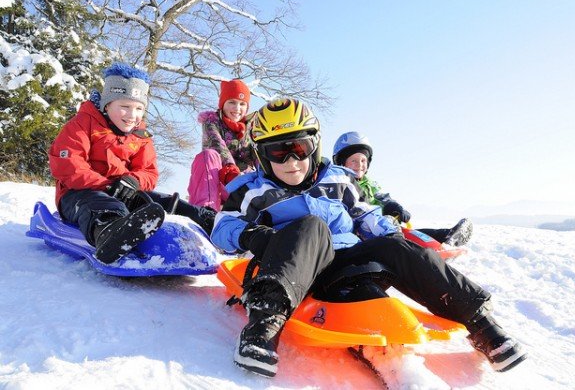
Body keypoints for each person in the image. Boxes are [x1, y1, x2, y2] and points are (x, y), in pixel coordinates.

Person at [211, 98, 527, 378]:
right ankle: (264, 326)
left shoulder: (339, 179)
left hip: (346, 264)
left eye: (299, 150)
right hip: (293, 269)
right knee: (311, 225)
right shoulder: (251, 189)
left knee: (395, 246)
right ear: (263, 156)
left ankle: (481, 324)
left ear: (314, 146)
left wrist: (398, 240)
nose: (291, 162)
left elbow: (366, 217)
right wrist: (254, 236)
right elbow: (222, 228)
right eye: (278, 153)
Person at [48, 62, 216, 264]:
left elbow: (149, 172)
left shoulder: (140, 136)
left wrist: (133, 182)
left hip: (124, 190)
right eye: (125, 107)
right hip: (79, 194)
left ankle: (211, 222)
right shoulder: (82, 125)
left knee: (158, 201)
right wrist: (107, 185)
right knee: (100, 205)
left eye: (138, 109)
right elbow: (69, 166)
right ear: (107, 104)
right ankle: (110, 233)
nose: (132, 115)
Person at [332, 131, 473, 247]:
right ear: (341, 163)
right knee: (401, 236)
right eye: (354, 161)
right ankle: (430, 249)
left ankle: (446, 236)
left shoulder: (369, 184)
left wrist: (392, 206)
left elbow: (382, 198)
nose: (359, 165)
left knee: (405, 232)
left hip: (380, 227)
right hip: (359, 233)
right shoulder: (339, 184)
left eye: (363, 160)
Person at [187, 79, 256, 211]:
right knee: (208, 155)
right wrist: (230, 169)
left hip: (243, 184)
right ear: (222, 103)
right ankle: (206, 209)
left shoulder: (251, 127)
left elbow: (258, 155)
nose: (237, 108)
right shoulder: (212, 121)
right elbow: (216, 144)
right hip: (217, 182)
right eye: (232, 102)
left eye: (242, 104)